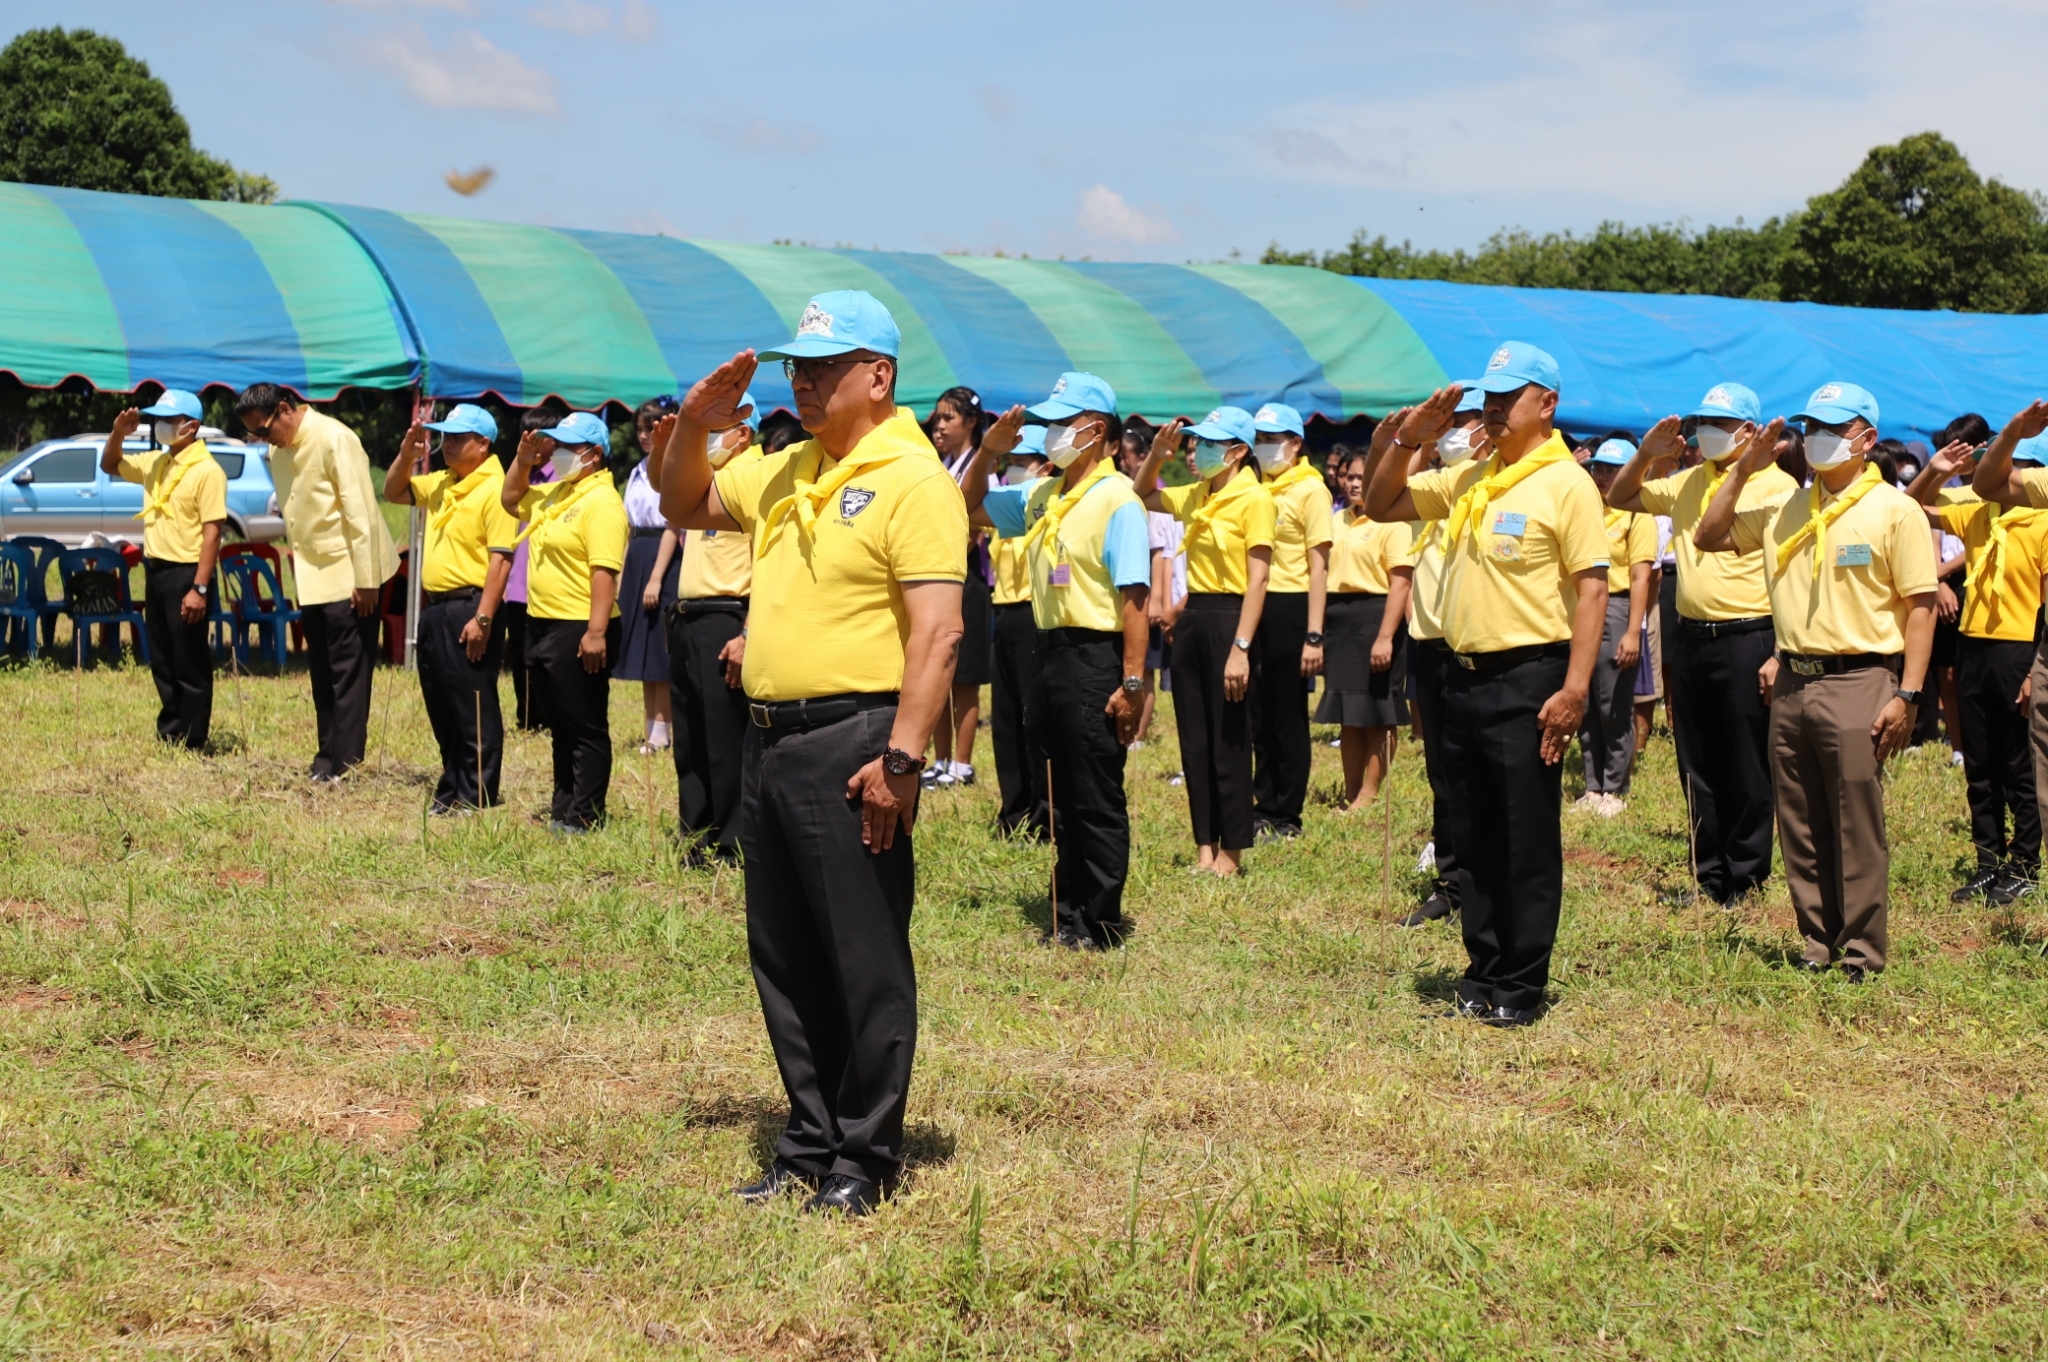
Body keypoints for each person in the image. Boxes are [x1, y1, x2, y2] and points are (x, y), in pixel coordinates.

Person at [657, 290, 966, 1217]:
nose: (803, 380)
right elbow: (683, 502)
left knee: (862, 956)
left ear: (879, 376)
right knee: (785, 956)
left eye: (824, 367)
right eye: (798, 365)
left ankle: (865, 1157)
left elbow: (939, 635)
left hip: (857, 740)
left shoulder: (914, 481)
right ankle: (808, 1143)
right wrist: (692, 427)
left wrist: (904, 761)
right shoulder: (788, 467)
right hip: (772, 742)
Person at [1366, 343, 1610, 1026]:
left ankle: (1522, 983)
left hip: (1530, 674)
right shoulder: (1474, 477)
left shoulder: (1566, 484)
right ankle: (1483, 965)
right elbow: (1383, 502)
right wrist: (1410, 437)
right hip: (1462, 677)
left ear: (1548, 404)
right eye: (1489, 398)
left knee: (1523, 835)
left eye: (1509, 397)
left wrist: (1576, 688)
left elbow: (1593, 590)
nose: (1493, 409)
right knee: (1471, 831)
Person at [1696, 382, 1936, 981]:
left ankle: (1861, 952)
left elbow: (1922, 606)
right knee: (1799, 818)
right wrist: (1742, 470)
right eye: (1812, 428)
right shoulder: (1788, 509)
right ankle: (1817, 939)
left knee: (1854, 820)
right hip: (1793, 679)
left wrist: (1907, 693)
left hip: (1860, 679)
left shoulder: (1893, 510)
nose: (1818, 439)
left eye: (1833, 428)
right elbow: (1708, 535)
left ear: (1866, 439)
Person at [965, 373, 1151, 948]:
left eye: (1061, 423)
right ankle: (1066, 913)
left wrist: (1133, 682)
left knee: (1095, 792)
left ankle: (1100, 920)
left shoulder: (1118, 499)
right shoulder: (1047, 494)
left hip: (1094, 656)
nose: (1050, 434)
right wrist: (989, 451)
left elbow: (1134, 598)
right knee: (1059, 795)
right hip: (1047, 655)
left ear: (1097, 431)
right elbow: (968, 504)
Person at [1606, 383, 1794, 906]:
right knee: (1697, 761)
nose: (1707, 431)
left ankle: (1746, 876)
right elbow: (1618, 496)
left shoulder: (1778, 489)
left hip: (1749, 636)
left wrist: (1780, 652)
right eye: (1703, 422)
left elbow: (1790, 578)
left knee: (1746, 763)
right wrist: (1647, 453)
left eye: (1720, 423)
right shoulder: (1689, 481)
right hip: (1690, 635)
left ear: (1750, 433)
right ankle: (1709, 875)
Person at [1132, 407, 1275, 877]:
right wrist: (1157, 453)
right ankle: (1204, 847)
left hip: (1232, 616)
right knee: (1194, 739)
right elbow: (1142, 493)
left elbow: (1258, 582)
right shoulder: (1198, 493)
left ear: (1237, 452)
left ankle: (1232, 851)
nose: (1200, 450)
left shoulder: (1255, 499)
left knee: (1230, 736)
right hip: (1193, 619)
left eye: (1211, 443)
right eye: (1197, 443)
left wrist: (1241, 647)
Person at [235, 384, 399, 783]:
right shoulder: (279, 450)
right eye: (254, 434)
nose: (261, 440)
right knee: (321, 671)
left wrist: (366, 579)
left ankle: (346, 763)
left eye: (264, 429)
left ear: (286, 409)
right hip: (311, 575)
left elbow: (359, 512)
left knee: (349, 672)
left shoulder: (335, 438)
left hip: (349, 574)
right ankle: (327, 757)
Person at [1906, 433, 2045, 903]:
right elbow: (1914, 507)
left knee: (2019, 765)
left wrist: (2033, 672)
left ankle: (2026, 862)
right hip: (1974, 645)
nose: (1998, 477)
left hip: (2021, 648)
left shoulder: (2043, 520)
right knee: (1979, 763)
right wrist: (1938, 469)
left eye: (2010, 468)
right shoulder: (1978, 510)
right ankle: (1989, 860)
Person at [382, 403, 518, 813]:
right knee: (441, 704)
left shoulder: (497, 489)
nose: (448, 446)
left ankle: (478, 794)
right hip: (437, 607)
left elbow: (501, 559)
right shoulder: (444, 481)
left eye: (458, 438)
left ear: (483, 443)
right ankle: (453, 785)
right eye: (444, 438)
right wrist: (408, 454)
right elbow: (393, 491)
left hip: (471, 606)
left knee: (473, 704)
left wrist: (484, 618)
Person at [644, 390, 762, 866]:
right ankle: (696, 834)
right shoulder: (709, 478)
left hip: (727, 616)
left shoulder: (755, 478)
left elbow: (768, 565)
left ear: (743, 431)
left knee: (725, 738)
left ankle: (733, 840)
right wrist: (663, 447)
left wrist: (748, 632)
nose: (709, 441)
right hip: (689, 616)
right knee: (690, 736)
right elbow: (663, 489)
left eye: (716, 431)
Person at [500, 411, 629, 832]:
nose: (557, 453)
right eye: (557, 445)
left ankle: (586, 813)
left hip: (579, 626)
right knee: (560, 724)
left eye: (567, 447)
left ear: (593, 455)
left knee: (585, 723)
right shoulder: (558, 492)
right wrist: (523, 461)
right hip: (542, 622)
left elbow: (604, 571)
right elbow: (511, 500)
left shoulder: (602, 502)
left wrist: (595, 632)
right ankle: (564, 806)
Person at [1396, 385, 1488, 927]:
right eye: (1451, 421)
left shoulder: (1492, 487)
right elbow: (1391, 487)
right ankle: (1451, 881)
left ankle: (1481, 880)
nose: (1456, 430)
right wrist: (1416, 436)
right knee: (1441, 771)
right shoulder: (1436, 487)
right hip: (1426, 644)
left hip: (1469, 648)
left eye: (1468, 420)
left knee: (1477, 771)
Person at [101, 390, 226, 751]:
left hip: (187, 573)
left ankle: (194, 738)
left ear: (191, 427)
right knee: (162, 657)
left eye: (168, 421)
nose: (160, 427)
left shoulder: (207, 471)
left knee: (189, 658)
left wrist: (199, 588)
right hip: (156, 571)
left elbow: (213, 533)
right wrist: (118, 433)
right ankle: (171, 729)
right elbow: (111, 465)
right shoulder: (158, 462)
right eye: (158, 420)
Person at [1247, 402, 1333, 841]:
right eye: (1258, 438)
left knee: (1286, 713)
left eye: (1271, 439)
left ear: (1295, 444)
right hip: (1255, 603)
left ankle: (1287, 813)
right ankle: (1263, 804)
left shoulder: (1309, 490)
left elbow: (1319, 566)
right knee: (1258, 710)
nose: (1262, 447)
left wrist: (1314, 634)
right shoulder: (1256, 488)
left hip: (1291, 604)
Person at [1316, 444, 1413, 814]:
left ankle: (1370, 795)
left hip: (1376, 616)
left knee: (1379, 710)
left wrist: (1386, 636)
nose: (1355, 483)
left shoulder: (1392, 523)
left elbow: (1401, 582)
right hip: (1339, 621)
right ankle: (1352, 792)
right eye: (1350, 476)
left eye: (1363, 477)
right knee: (1348, 712)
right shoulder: (1336, 520)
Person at [1578, 439, 1657, 815]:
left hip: (1618, 606)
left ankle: (1615, 788)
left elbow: (1642, 577)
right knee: (1586, 701)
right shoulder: (1588, 510)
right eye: (1599, 468)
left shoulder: (1637, 514)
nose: (1604, 476)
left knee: (1614, 704)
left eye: (1612, 469)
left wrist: (1632, 630)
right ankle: (1592, 786)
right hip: (1585, 607)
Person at [986, 425, 1051, 838]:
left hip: (1034, 614)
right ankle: (1014, 811)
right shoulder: (1010, 503)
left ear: (1043, 466)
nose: (1013, 470)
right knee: (1006, 722)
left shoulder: (1047, 502)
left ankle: (1044, 813)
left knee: (1035, 722)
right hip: (1003, 613)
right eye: (1009, 463)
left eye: (1021, 463)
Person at [928, 385, 991, 788]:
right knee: (935, 671)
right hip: (938, 577)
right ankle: (941, 759)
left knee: (964, 676)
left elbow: (974, 528)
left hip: (968, 580)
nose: (939, 426)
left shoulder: (980, 470)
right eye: (936, 418)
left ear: (970, 422)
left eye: (948, 418)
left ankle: (962, 764)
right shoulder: (941, 465)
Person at [618, 397, 682, 754]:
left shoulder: (674, 467)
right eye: (641, 429)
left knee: (660, 649)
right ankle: (650, 728)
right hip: (639, 553)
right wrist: (625, 573)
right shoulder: (637, 470)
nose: (645, 435)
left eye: (651, 427)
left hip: (663, 557)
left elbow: (674, 525)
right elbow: (631, 527)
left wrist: (656, 577)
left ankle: (664, 729)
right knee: (642, 647)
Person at [502, 404, 565, 732]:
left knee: (548, 656)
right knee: (521, 656)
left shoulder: (562, 480)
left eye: (540, 439)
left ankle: (551, 716)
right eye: (527, 438)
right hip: (517, 585)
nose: (535, 446)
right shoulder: (518, 479)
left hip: (549, 584)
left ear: (554, 441)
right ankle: (527, 718)